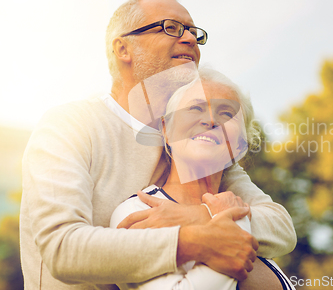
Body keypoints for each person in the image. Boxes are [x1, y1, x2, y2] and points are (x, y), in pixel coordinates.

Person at [20, 0, 296, 290]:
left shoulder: (196, 145)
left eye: (193, 31)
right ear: (123, 48)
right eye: (171, 27)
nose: (190, 38)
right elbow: (63, 249)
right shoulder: (71, 124)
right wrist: (193, 241)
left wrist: (197, 216)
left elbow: (279, 227)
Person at [110, 68, 295, 290]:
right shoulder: (139, 210)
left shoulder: (249, 215)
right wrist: (232, 222)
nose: (210, 120)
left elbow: (285, 231)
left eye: (227, 113)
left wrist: (213, 216)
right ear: (167, 130)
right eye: (195, 108)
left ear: (241, 145)